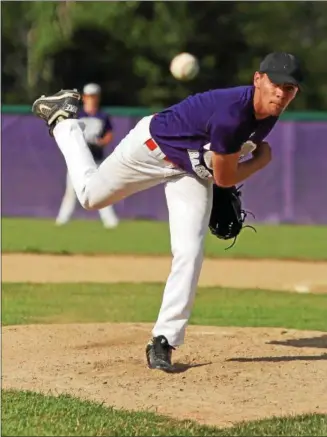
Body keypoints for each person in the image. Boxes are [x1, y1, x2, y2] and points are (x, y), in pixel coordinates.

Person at [32, 52, 303, 371]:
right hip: (150, 150)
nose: (281, 93)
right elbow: (224, 177)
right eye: (275, 83)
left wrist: (226, 175)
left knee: (190, 250)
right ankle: (64, 121)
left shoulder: (269, 113)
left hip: (189, 172)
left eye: (290, 88)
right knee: (90, 197)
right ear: (258, 79)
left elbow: (218, 168)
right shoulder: (234, 113)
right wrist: (260, 162)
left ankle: (164, 339)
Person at [55, 83, 119, 228]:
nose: (91, 99)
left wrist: (102, 142)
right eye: (89, 96)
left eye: (94, 96)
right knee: (71, 191)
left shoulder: (102, 115)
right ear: (84, 97)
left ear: (98, 98)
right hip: (77, 159)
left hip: (96, 158)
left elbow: (109, 134)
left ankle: (110, 222)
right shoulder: (77, 114)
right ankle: (62, 220)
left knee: (103, 191)